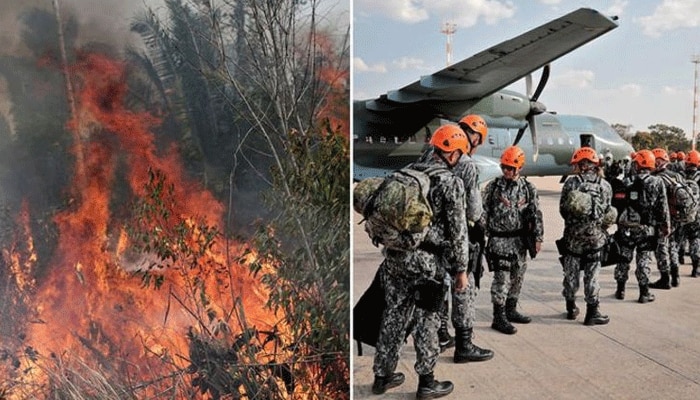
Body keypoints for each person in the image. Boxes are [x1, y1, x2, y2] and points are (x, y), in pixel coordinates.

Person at [371, 124, 469, 399]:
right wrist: (461, 270)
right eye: (459, 154)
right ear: (452, 154)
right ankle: (427, 382)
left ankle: (383, 375)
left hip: (395, 257)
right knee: (427, 320)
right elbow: (459, 231)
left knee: (393, 315)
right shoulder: (450, 182)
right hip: (427, 263)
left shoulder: (408, 171)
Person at [420, 115, 494, 364]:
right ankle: (464, 345)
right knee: (463, 290)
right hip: (457, 238)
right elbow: (474, 211)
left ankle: (441, 334)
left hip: (430, 239)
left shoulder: (428, 154)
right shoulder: (467, 164)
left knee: (437, 287)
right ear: (475, 138)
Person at [482, 146, 543, 334]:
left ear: (519, 168)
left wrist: (538, 237)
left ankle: (511, 308)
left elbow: (536, 214)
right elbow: (483, 211)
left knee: (518, 277)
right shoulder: (493, 187)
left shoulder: (528, 188)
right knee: (502, 279)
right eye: (504, 167)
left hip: (519, 241)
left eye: (510, 168)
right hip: (499, 241)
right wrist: (482, 234)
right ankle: (498, 316)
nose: (507, 171)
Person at [558, 147, 616, 325]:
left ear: (578, 164)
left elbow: (563, 209)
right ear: (595, 164)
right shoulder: (605, 185)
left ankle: (570, 307)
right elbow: (607, 212)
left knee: (571, 273)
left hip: (573, 238)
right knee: (592, 275)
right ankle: (592, 313)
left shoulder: (571, 183)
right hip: (594, 237)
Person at [613, 149, 670, 303]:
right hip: (647, 228)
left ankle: (620, 290)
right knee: (644, 259)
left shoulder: (627, 181)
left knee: (623, 257)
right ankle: (644, 293)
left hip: (627, 228)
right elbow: (662, 207)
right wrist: (665, 226)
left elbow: (619, 203)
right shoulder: (657, 182)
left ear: (636, 164)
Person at [650, 148, 685, 288]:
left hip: (663, 219)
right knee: (672, 246)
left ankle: (665, 279)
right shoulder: (677, 176)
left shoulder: (657, 179)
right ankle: (675, 276)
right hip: (676, 217)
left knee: (661, 248)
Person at [684, 150, 700, 277]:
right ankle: (695, 268)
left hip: (683, 214)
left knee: (679, 240)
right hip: (697, 213)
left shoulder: (680, 176)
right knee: (695, 239)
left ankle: (676, 262)